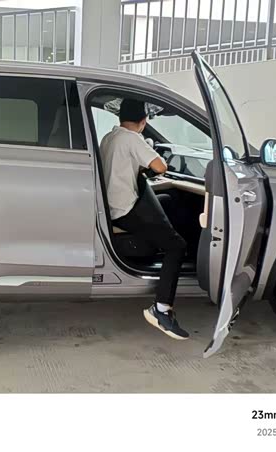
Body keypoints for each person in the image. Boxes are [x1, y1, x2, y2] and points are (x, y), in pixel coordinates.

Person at [100, 99, 189, 340]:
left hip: (111, 205)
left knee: (169, 201)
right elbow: (160, 167)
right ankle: (161, 309)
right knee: (177, 246)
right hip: (125, 209)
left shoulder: (109, 138)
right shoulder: (132, 138)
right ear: (143, 121)